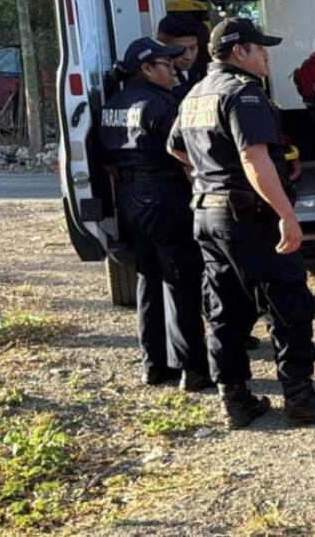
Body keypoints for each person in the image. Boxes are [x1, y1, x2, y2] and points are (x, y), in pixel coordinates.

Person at [166, 17, 315, 429]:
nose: (266, 56)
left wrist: (210, 175)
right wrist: (286, 215)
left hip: (208, 212)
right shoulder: (243, 93)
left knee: (225, 309)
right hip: (249, 216)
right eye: (260, 48)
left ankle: (234, 401)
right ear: (240, 51)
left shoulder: (196, 92)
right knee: (288, 305)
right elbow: (254, 158)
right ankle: (300, 398)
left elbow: (176, 148)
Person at [98, 37, 211, 392]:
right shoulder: (160, 105)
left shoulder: (111, 105)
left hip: (131, 199)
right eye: (167, 64)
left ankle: (154, 365)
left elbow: (104, 158)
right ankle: (193, 369)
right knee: (181, 282)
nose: (174, 71)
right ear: (146, 69)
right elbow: (187, 151)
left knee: (148, 279)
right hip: (165, 197)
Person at [157, 13, 205, 101]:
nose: (188, 56)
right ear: (162, 45)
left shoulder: (204, 68)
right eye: (179, 49)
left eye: (193, 48)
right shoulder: (154, 78)